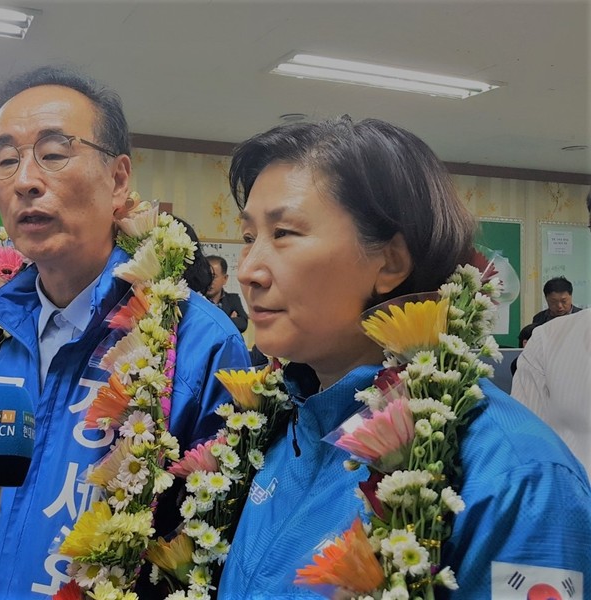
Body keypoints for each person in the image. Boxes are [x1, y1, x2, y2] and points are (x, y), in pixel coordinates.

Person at [217, 118, 591, 599]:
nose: (248, 271)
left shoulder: (517, 475)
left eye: (284, 232)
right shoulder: (283, 423)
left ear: (390, 262)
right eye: (249, 237)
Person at [0, 66, 250, 598]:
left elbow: (212, 549)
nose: (24, 180)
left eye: (54, 153)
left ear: (119, 179)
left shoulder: (198, 340)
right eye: (5, 160)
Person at [512, 190, 591, 474]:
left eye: (564, 301)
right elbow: (527, 455)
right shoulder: (545, 342)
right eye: (554, 301)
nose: (559, 306)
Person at [205, 255, 248, 332]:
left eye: (213, 276)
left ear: (225, 278)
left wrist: (212, 322)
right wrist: (229, 320)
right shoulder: (198, 299)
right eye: (206, 276)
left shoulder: (233, 299)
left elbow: (243, 324)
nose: (209, 280)